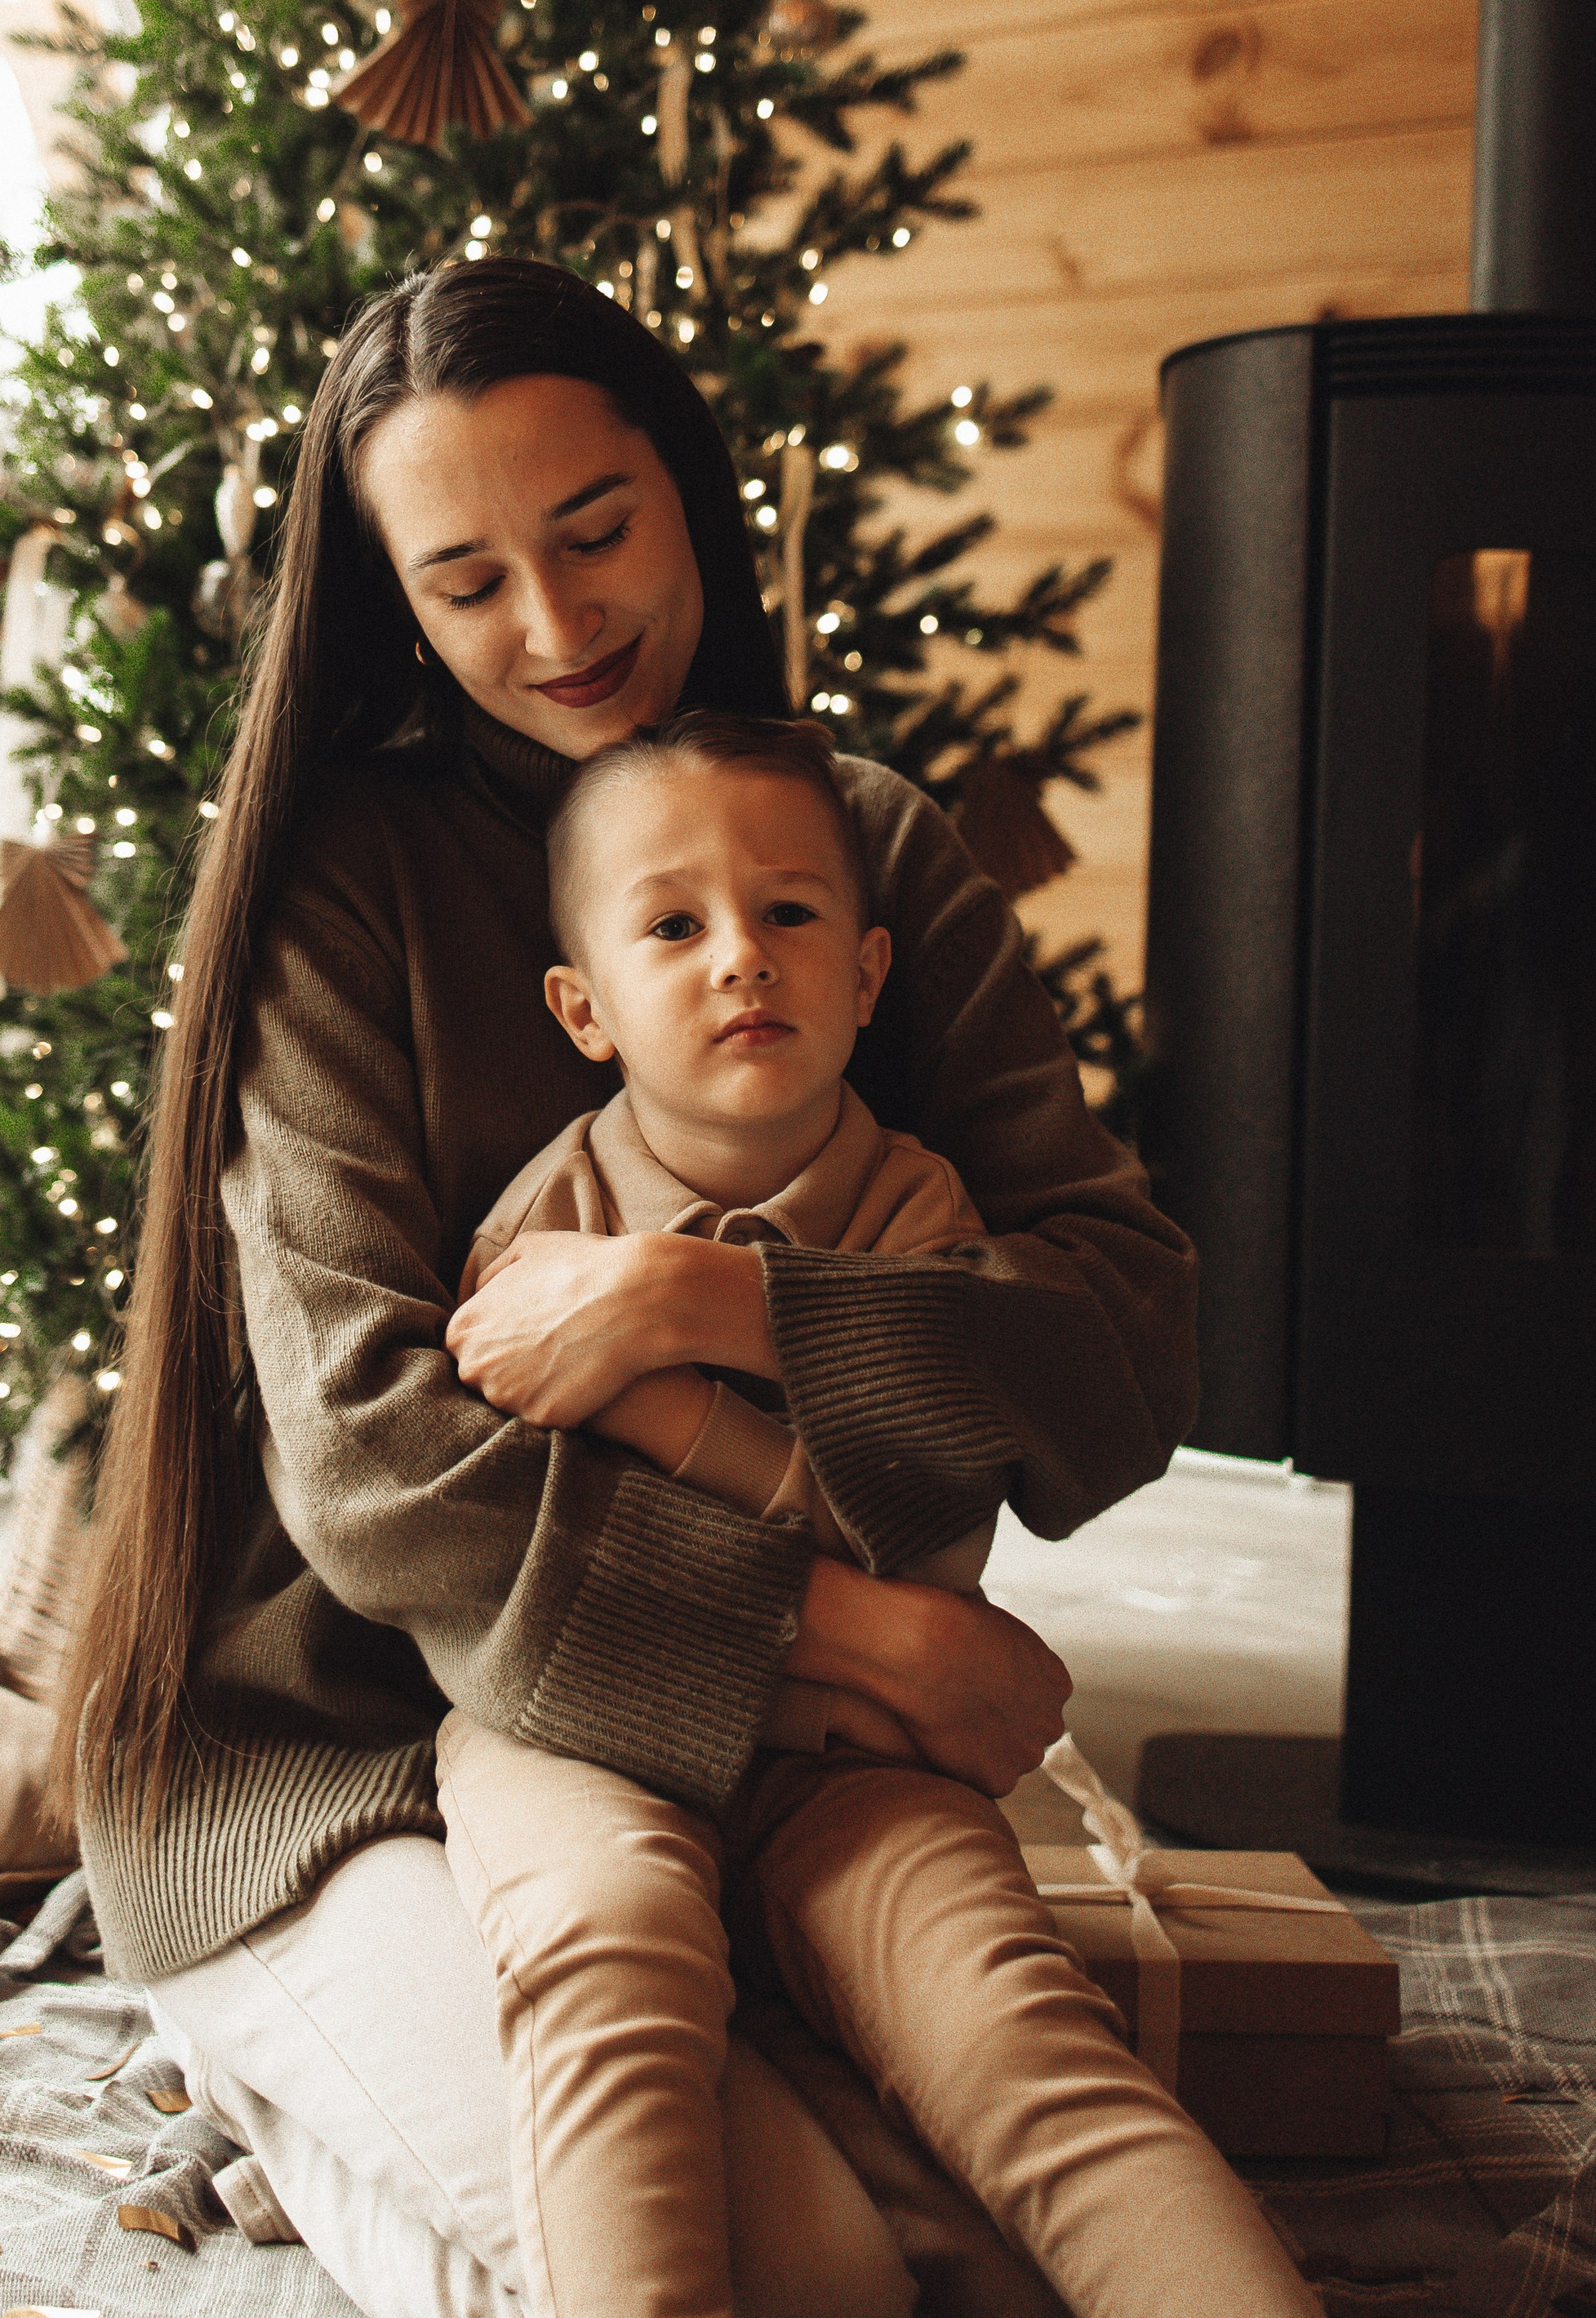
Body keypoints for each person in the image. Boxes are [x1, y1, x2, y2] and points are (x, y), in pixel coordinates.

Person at [60, 255, 1208, 2318]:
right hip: (329, 1763)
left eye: (594, 534)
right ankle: (284, 2074)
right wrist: (851, 1636)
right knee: (823, 2283)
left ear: (687, 493)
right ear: (391, 602)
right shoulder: (342, 879)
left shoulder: (853, 851)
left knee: (999, 2252)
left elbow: (1121, 1343)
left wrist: (718, 1312)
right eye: (468, 577)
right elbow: (371, 1461)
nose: (557, 625)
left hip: (745, 1775)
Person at [435, 710, 1319, 2318]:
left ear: (866, 972)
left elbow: (926, 1553)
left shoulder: (917, 1211)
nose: (739, 960)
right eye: (670, 925)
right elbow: (516, 1527)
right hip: (581, 1723)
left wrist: (664, 1389)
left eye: (787, 913)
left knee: (1011, 2033)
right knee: (603, 1960)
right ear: (582, 1009)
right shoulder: (550, 1222)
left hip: (856, 1751)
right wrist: (794, 1457)